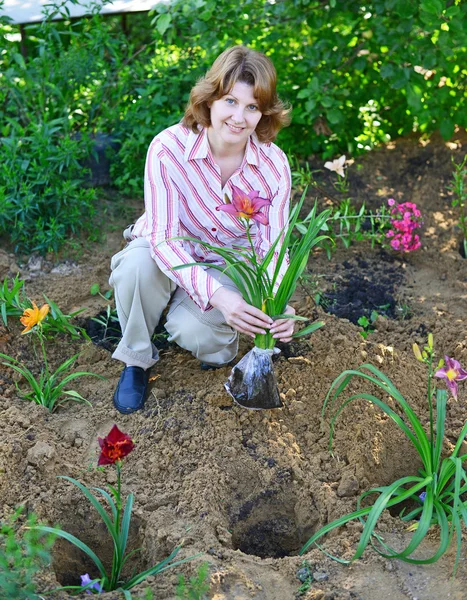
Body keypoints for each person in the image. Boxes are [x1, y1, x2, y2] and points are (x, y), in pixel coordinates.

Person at [109, 45, 295, 414]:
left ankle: (185, 321)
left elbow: (273, 245)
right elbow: (162, 238)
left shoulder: (273, 166)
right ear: (209, 100)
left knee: (200, 334)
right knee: (136, 266)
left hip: (225, 266)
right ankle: (136, 358)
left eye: (252, 106)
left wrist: (277, 303)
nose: (239, 118)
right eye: (230, 101)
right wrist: (220, 298)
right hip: (167, 253)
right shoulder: (168, 149)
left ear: (264, 113)